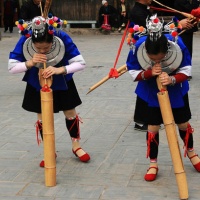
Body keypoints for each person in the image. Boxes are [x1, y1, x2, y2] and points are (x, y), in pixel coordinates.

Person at [8, 15, 90, 167]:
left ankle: (76, 145)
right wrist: (31, 62)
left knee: (70, 112)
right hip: (37, 81)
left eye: (46, 47)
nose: (43, 51)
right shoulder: (26, 37)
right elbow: (12, 67)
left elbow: (80, 63)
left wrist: (59, 69)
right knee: (42, 116)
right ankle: (49, 150)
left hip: (62, 78)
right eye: (38, 48)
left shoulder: (60, 36)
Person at [126, 15, 200, 181]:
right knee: (152, 127)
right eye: (153, 59)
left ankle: (191, 152)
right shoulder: (138, 46)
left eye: (161, 58)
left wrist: (173, 79)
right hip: (151, 91)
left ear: (167, 50)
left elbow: (187, 69)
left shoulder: (177, 44)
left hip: (176, 90)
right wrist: (149, 72)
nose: (157, 61)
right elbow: (132, 72)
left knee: (183, 123)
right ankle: (153, 163)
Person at [129, 0, 153, 132]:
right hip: (143, 53)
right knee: (145, 84)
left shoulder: (144, 9)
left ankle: (147, 116)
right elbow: (152, 29)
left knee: (149, 84)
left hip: (148, 50)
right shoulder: (137, 12)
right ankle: (139, 120)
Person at [174, 0, 200, 80]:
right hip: (180, 26)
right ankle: (180, 70)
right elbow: (188, 8)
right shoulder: (179, 2)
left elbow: (195, 6)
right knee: (181, 49)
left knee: (188, 49)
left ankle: (187, 71)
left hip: (189, 27)